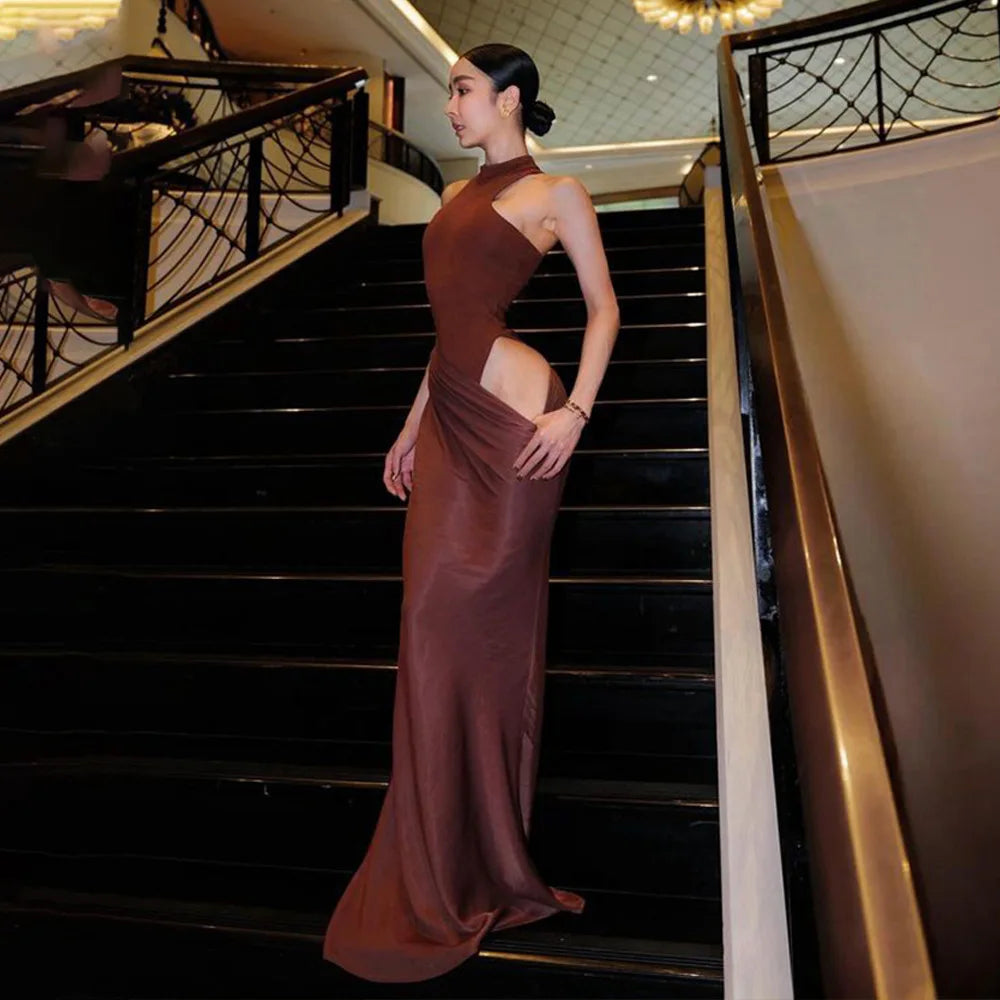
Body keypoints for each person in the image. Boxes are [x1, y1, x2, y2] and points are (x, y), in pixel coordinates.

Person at [322, 42, 620, 983]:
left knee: (479, 631)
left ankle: (483, 853)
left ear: (511, 98)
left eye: (462, 91)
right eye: (451, 91)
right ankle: (438, 847)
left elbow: (604, 309)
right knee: (426, 621)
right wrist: (410, 426)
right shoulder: (454, 197)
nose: (450, 107)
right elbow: (447, 328)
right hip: (450, 419)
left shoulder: (557, 192)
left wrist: (577, 413)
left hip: (521, 427)